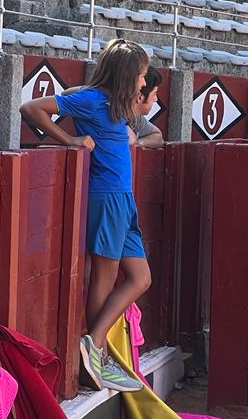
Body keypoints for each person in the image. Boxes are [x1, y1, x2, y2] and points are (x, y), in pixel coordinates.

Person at [20, 39, 151, 393]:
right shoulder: (92, 99)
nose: (143, 83)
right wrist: (69, 140)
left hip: (122, 199)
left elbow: (142, 133)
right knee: (104, 279)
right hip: (106, 197)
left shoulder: (118, 107)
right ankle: (96, 358)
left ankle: (93, 343)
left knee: (140, 277)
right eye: (140, 76)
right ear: (125, 76)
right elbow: (31, 107)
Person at [129, 67, 164, 149]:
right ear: (140, 97)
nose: (156, 99)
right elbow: (129, 140)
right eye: (154, 94)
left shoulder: (137, 118)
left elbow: (158, 137)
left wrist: (139, 143)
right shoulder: (115, 115)